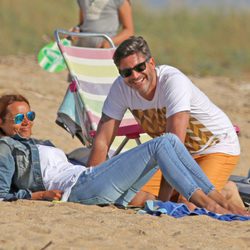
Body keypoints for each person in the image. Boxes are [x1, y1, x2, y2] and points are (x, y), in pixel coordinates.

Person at [0, 94, 248, 216]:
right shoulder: (6, 148)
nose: (26, 123)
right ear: (1, 123)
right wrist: (39, 195)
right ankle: (210, 203)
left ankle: (214, 197)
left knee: (170, 141)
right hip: (80, 187)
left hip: (88, 179)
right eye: (18, 118)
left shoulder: (36, 143)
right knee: (161, 144)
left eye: (29, 116)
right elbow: (2, 194)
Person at [87, 36, 243, 208]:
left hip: (214, 147)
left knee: (189, 203)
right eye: (127, 72)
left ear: (151, 63)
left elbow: (175, 147)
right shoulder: (121, 88)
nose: (135, 75)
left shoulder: (173, 81)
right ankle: (220, 190)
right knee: (132, 197)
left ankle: (223, 190)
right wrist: (90, 184)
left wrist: (163, 204)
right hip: (173, 154)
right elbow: (102, 140)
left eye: (140, 67)